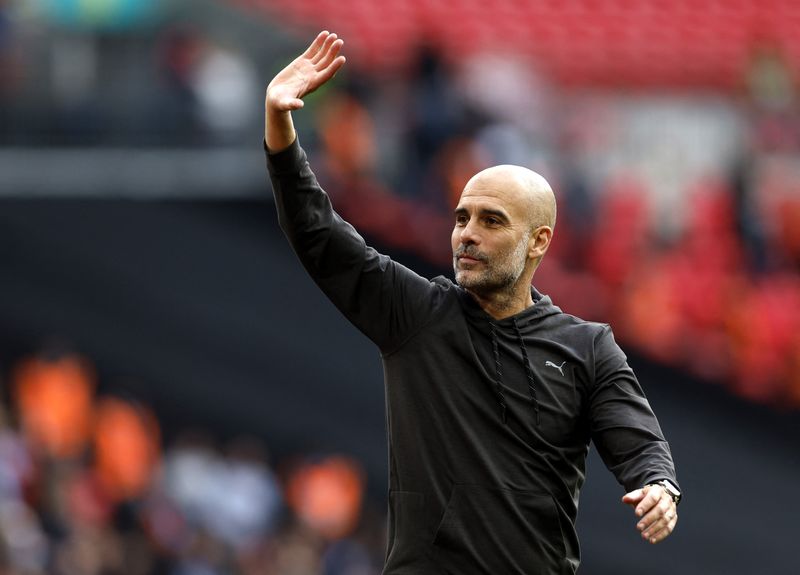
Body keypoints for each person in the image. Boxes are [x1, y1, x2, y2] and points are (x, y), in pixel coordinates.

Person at [265, 31, 681, 575]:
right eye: (461, 217)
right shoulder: (417, 315)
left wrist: (659, 487)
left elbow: (641, 445)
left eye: (491, 221)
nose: (466, 234)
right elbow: (318, 233)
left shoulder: (589, 347)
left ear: (538, 241)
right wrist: (279, 129)